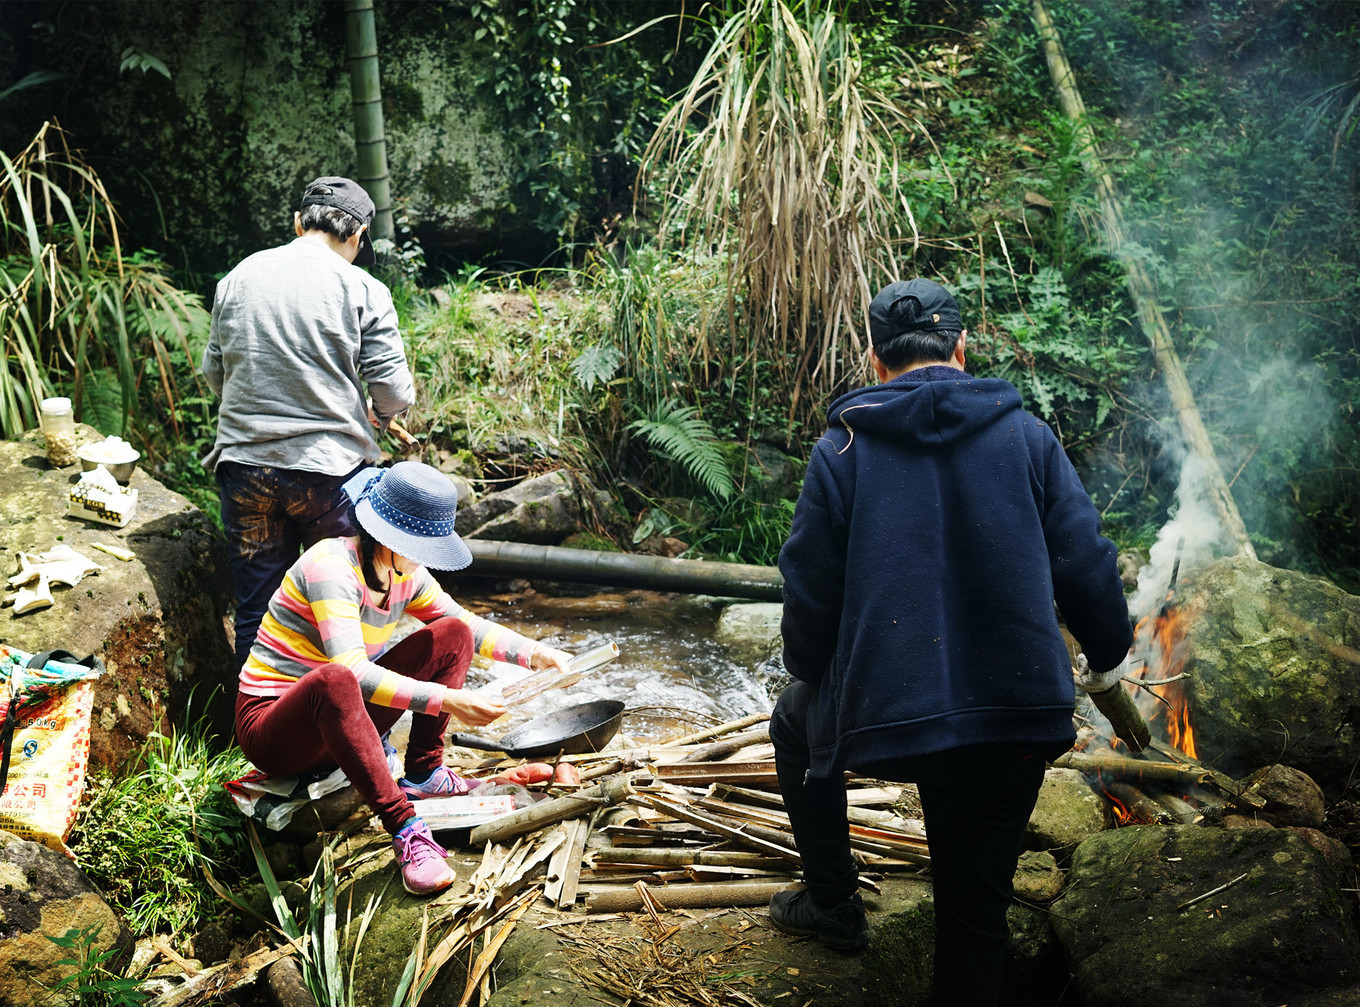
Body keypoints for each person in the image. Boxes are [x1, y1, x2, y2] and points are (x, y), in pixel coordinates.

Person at [768, 278, 1132, 1005]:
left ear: (876, 361)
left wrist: (813, 675)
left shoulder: (842, 450)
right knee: (974, 923)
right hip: (1013, 718)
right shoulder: (1028, 438)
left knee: (792, 721)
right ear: (962, 348)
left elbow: (809, 595)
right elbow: (1087, 564)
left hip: (889, 719)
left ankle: (832, 900)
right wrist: (1106, 655)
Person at [233, 460, 574, 896]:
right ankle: (405, 827)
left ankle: (425, 774)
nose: (427, 558)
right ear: (388, 538)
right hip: (275, 730)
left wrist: (538, 653)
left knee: (452, 633)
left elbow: (466, 625)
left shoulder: (403, 573)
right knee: (335, 679)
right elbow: (353, 672)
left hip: (342, 720)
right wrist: (448, 700)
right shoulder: (330, 566)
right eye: (421, 546)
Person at [201, 176, 415, 669]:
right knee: (342, 607)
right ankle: (349, 716)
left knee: (257, 611)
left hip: (245, 470)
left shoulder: (237, 277)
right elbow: (393, 390)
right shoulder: (363, 287)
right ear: (357, 235)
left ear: (298, 223)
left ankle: (256, 717)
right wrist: (383, 416)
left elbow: (216, 373)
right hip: (330, 475)